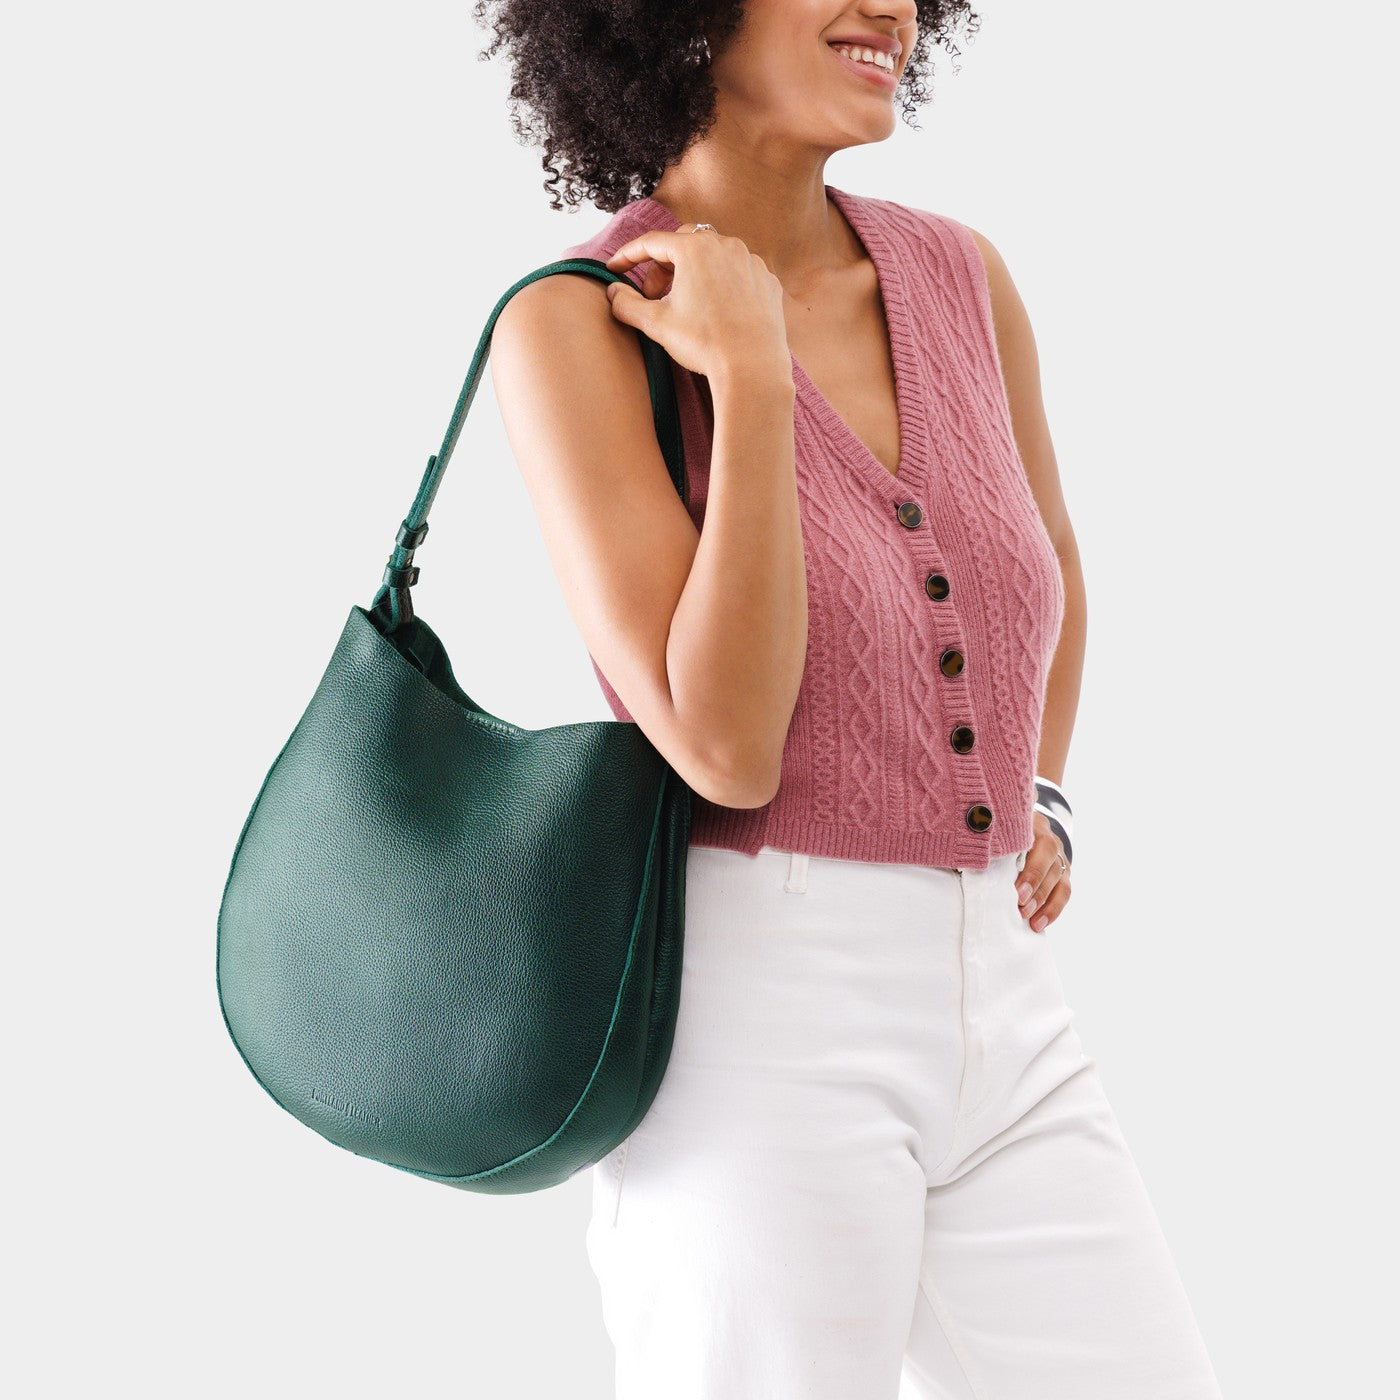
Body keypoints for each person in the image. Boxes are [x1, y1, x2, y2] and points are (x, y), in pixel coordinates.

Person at [482, 2, 1224, 1396]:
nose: (891, 7)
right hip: (759, 1024)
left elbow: (1049, 563)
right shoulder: (575, 322)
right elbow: (725, 746)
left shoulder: (961, 275)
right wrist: (749, 378)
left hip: (1008, 995)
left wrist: (1040, 794)